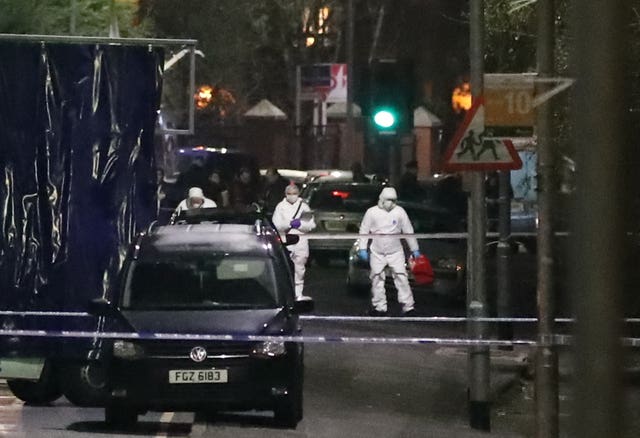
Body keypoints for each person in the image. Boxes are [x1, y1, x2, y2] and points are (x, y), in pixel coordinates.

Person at [358, 187, 421, 316]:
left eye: (393, 200)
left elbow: (408, 230)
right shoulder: (372, 212)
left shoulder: (399, 212)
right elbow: (364, 231)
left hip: (395, 251)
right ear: (381, 199)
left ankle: (408, 306)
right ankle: (379, 307)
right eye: (388, 200)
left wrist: (415, 249)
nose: (390, 203)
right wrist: (362, 248)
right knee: (376, 278)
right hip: (377, 251)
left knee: (401, 277)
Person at [272, 183, 316, 301]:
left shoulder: (304, 207)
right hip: (286, 241)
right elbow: (276, 224)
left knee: (300, 269)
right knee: (285, 268)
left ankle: (298, 293)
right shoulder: (280, 207)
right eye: (289, 194)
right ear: (285, 194)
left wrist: (300, 224)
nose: (292, 196)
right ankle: (285, 294)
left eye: (294, 193)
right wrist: (289, 224)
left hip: (301, 241)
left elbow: (310, 225)